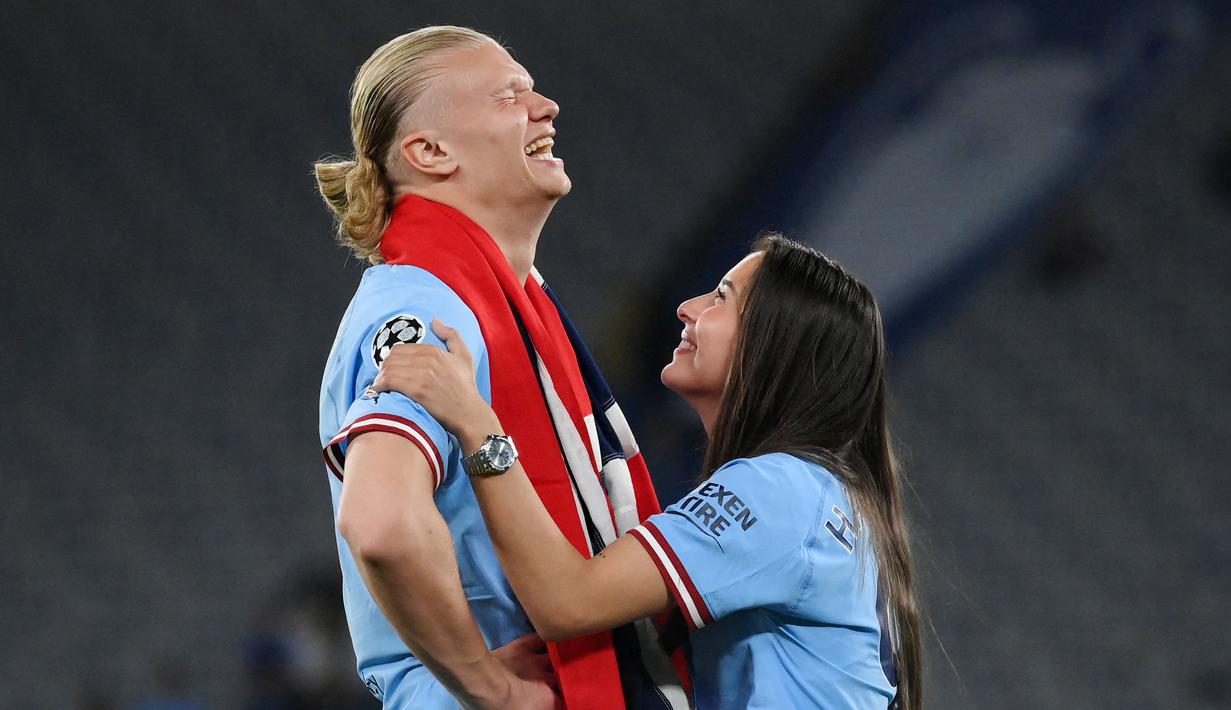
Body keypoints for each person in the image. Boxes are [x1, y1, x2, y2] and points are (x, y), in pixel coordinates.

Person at [373, 234, 925, 709]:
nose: (688, 307)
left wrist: (477, 427)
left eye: (722, 298)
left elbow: (568, 601)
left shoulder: (782, 489)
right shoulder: (824, 499)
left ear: (774, 344)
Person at [313, 26, 685, 710]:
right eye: (509, 94)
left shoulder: (504, 305)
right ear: (428, 151)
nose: (546, 106)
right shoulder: (423, 307)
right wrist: (492, 689)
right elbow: (380, 524)